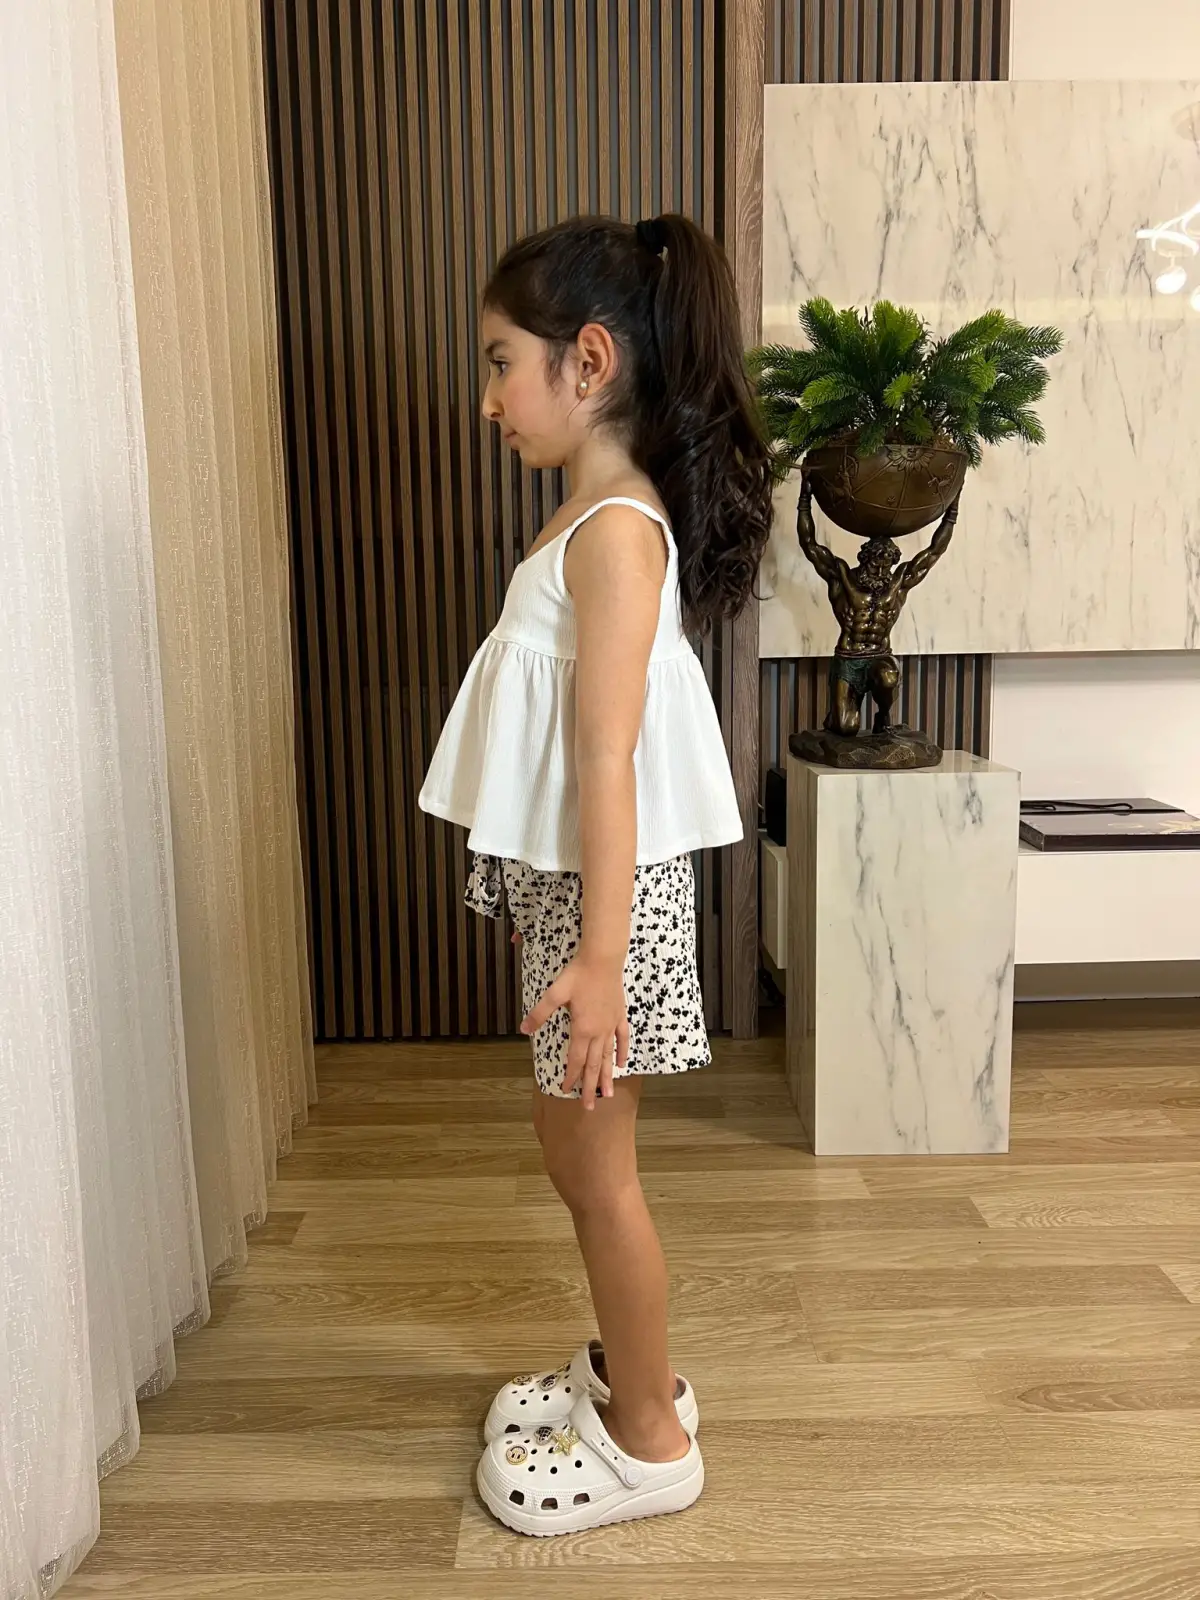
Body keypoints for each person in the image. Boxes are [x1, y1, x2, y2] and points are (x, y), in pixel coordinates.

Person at [418, 213, 773, 1536]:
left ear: (590, 361)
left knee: (596, 1169)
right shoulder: (591, 516)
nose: (488, 398)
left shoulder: (615, 533)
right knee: (575, 1155)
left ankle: (649, 1440)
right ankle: (628, 1375)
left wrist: (599, 960)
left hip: (604, 920)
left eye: (501, 362)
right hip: (580, 904)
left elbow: (609, 757)